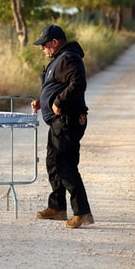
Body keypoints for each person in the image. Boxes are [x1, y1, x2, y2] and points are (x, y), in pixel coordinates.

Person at [30, 24, 94, 229]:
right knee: (53, 163)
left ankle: (82, 211)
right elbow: (58, 85)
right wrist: (43, 101)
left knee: (65, 165)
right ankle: (57, 207)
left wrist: (58, 102)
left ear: (55, 42)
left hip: (68, 119)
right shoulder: (59, 59)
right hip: (59, 122)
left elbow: (78, 83)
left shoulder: (68, 58)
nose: (42, 48)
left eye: (44, 44)